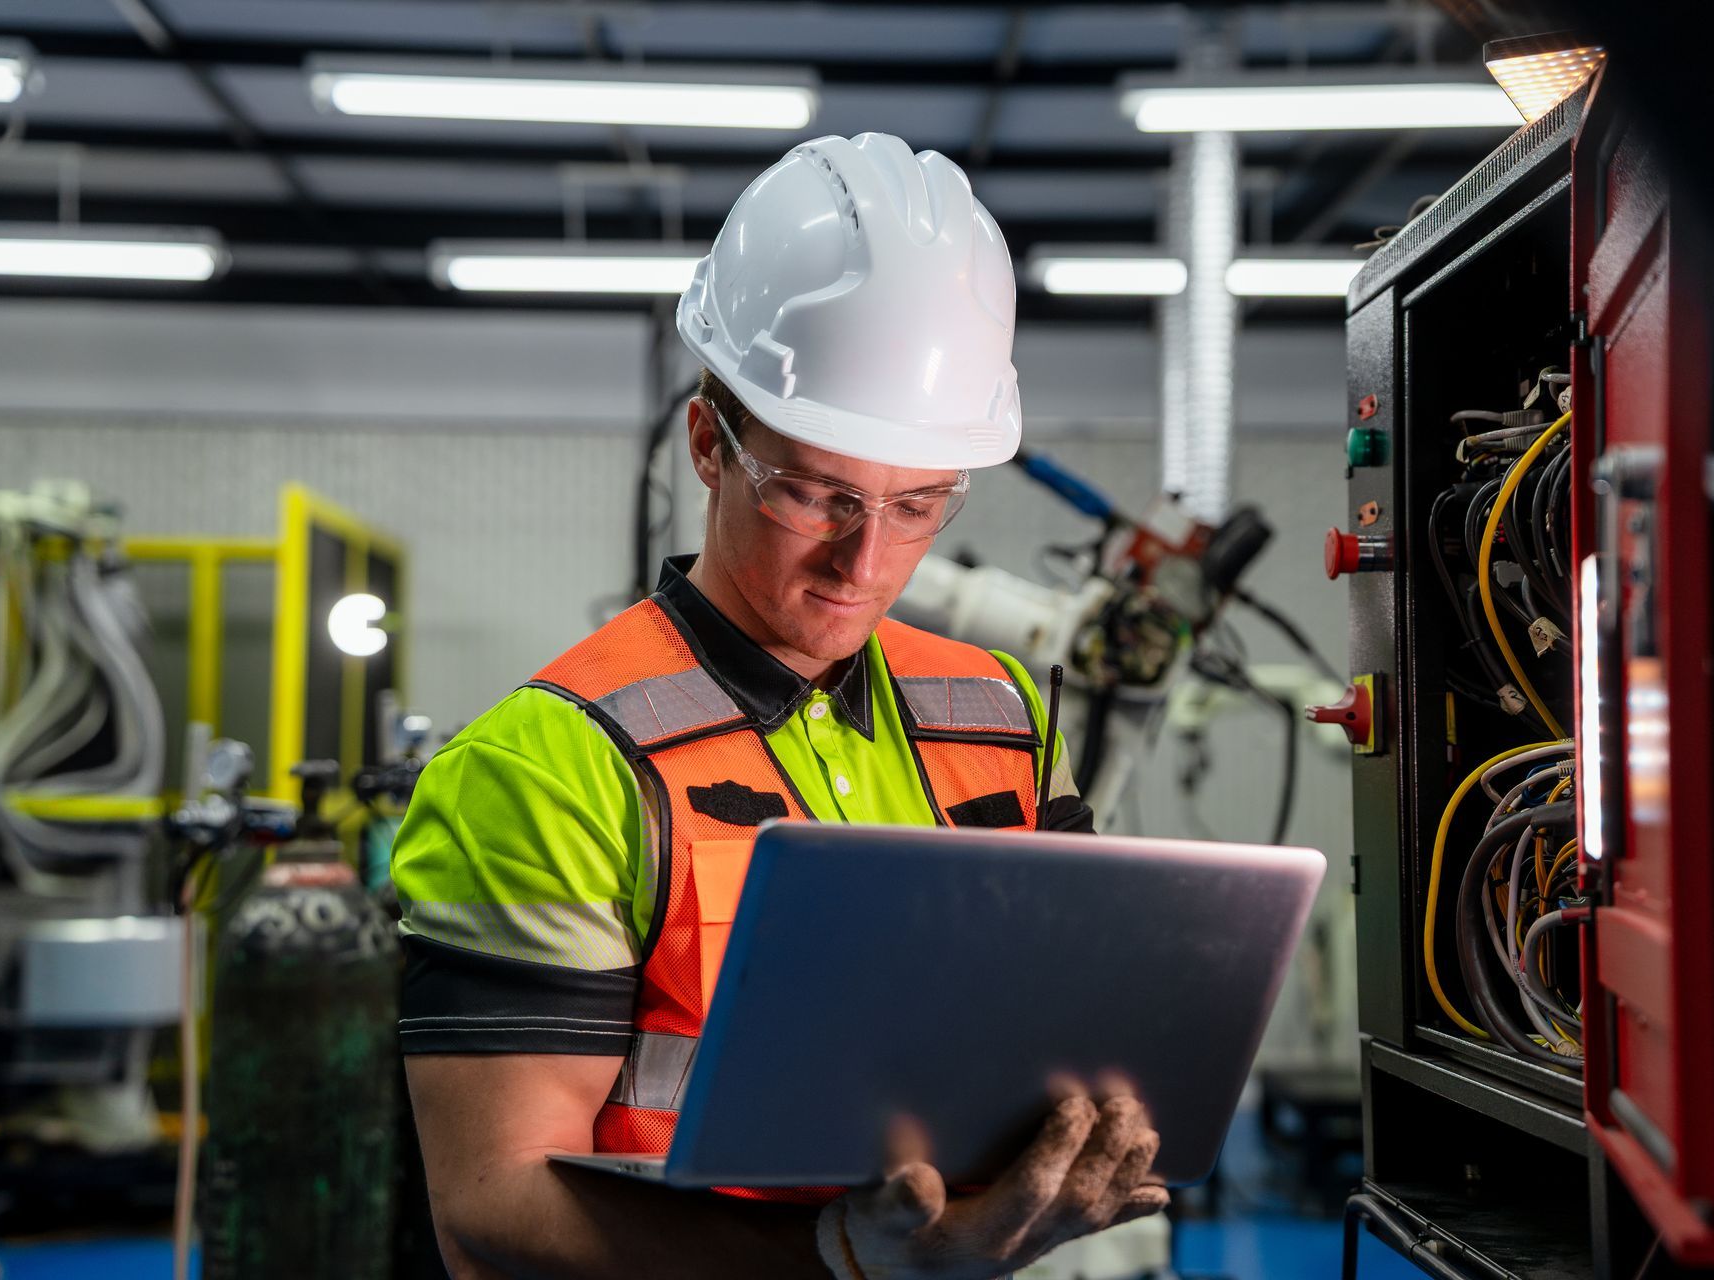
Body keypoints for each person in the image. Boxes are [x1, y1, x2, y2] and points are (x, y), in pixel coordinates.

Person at [394, 132, 1167, 1278]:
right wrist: (843, 1254)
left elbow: (1067, 1036)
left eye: (917, 505)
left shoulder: (999, 713)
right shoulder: (547, 763)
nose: (864, 561)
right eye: (819, 494)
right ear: (710, 443)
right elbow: (490, 1205)